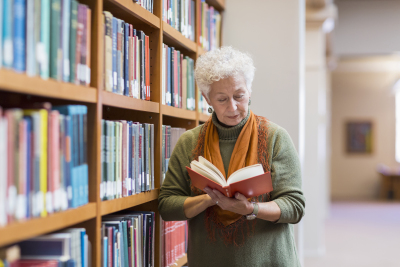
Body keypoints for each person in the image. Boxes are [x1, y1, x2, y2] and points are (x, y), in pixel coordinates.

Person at [158, 46, 305, 267]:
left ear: (250, 91)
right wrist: (209, 199)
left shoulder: (276, 138)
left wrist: (251, 209)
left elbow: (294, 207)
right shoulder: (188, 142)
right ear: (207, 99)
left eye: (239, 96)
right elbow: (167, 206)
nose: (233, 107)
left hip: (269, 261)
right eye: (222, 99)